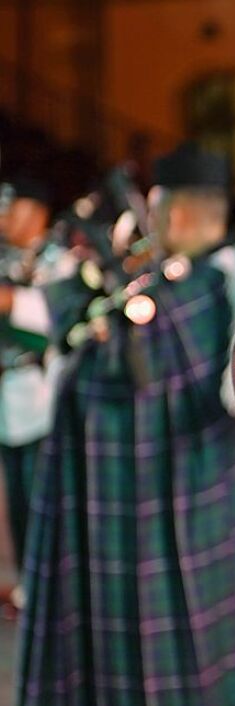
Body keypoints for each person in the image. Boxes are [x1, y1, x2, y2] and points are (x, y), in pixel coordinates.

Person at [15, 143, 235, 706]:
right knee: (178, 676)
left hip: (196, 508)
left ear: (181, 213)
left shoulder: (218, 285)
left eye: (159, 209)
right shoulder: (157, 281)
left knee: (209, 680)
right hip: (175, 509)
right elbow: (48, 323)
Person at [0, 176, 73, 615]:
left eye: (15, 208)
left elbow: (55, 320)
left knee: (44, 498)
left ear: (39, 213)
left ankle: (55, 586)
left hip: (41, 398)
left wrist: (10, 303)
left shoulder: (60, 260)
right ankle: (30, 585)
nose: (6, 218)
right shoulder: (6, 257)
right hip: (8, 399)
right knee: (19, 504)